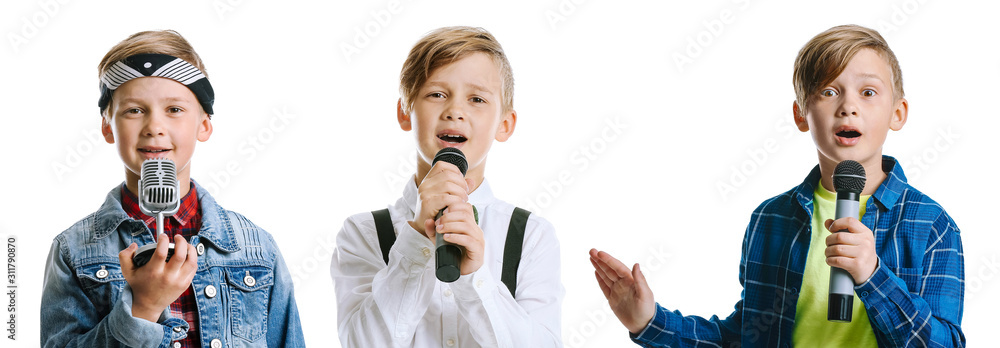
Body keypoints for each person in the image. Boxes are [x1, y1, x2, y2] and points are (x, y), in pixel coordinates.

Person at [590, 24, 964, 347]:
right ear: (801, 114)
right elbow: (743, 338)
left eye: (868, 92)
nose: (848, 106)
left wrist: (873, 276)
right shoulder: (771, 219)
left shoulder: (931, 225)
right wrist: (648, 321)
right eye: (829, 92)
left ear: (897, 113)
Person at [40, 30, 304, 347]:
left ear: (204, 125)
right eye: (134, 110)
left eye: (174, 110)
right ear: (108, 127)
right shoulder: (74, 250)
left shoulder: (257, 248)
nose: (154, 127)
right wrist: (143, 308)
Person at [331, 26, 563, 347]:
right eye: (437, 94)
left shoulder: (532, 236)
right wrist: (414, 239)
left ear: (505, 124)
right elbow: (362, 343)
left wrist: (474, 279)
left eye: (477, 99)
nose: (455, 111)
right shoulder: (363, 232)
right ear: (405, 111)